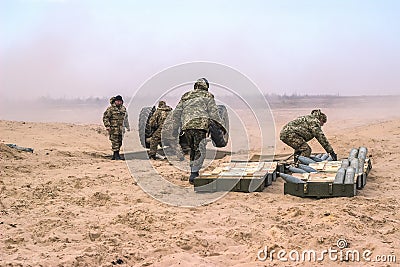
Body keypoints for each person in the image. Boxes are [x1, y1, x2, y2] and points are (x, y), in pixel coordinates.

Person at [173, 78, 225, 184]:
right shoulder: (208, 96)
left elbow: (177, 112)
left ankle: (193, 171)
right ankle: (194, 173)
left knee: (193, 149)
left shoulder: (186, 95)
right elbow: (214, 113)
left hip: (187, 127)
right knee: (200, 150)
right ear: (206, 87)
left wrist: (176, 127)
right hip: (200, 126)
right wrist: (221, 126)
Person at [103, 95, 130, 160]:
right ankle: (116, 154)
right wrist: (107, 126)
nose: (119, 102)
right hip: (113, 128)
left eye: (120, 101)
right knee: (115, 141)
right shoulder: (110, 109)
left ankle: (115, 155)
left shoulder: (123, 109)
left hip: (121, 129)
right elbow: (106, 118)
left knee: (120, 141)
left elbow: (125, 119)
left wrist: (127, 126)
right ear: (115, 101)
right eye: (117, 101)